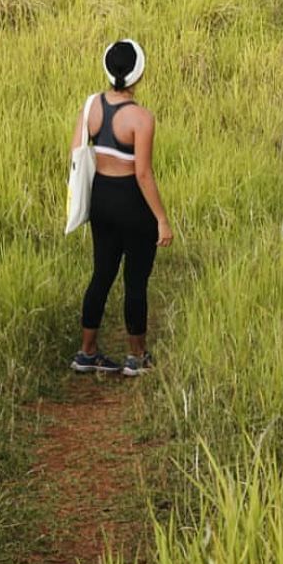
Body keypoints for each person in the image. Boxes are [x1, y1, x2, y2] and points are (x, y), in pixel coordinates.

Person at [70, 40, 173, 377]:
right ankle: (137, 356)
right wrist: (161, 219)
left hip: (100, 197)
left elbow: (76, 155)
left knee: (101, 273)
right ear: (138, 74)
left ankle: (87, 352)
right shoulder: (142, 118)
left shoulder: (90, 107)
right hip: (132, 202)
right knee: (135, 281)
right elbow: (143, 173)